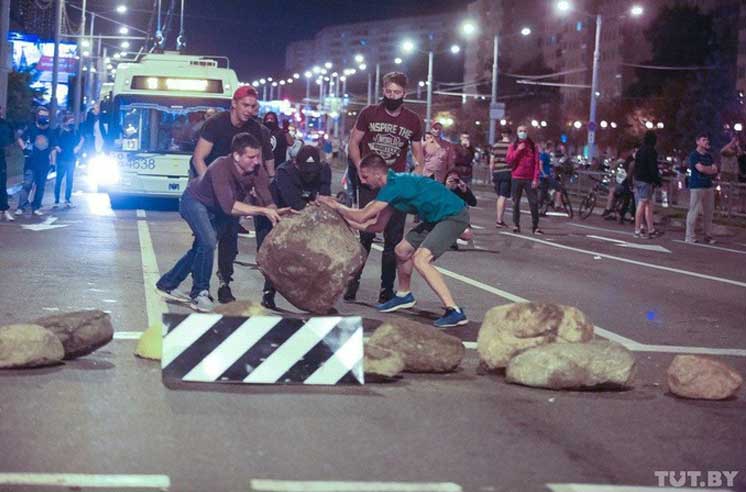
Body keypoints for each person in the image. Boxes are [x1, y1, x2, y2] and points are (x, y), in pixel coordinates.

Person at [318, 153, 469, 328]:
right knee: (402, 250)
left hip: (453, 215)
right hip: (435, 218)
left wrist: (336, 206)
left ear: (377, 174)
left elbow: (363, 216)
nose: (363, 181)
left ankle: (454, 311)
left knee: (421, 260)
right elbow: (377, 226)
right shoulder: (391, 190)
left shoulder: (394, 185)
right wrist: (342, 220)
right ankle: (404, 295)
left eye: (365, 176)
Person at [156, 133, 291, 312]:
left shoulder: (256, 169)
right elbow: (230, 207)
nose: (256, 161)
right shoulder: (220, 166)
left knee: (201, 248)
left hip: (217, 208)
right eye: (251, 157)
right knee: (208, 241)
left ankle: (168, 283)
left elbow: (266, 197)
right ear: (237, 156)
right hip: (195, 202)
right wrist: (263, 211)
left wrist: (273, 211)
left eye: (258, 156)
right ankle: (200, 292)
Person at [344, 71, 424, 303]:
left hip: (395, 183)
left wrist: (416, 175)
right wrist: (360, 168)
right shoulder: (369, 113)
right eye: (388, 91)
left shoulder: (412, 120)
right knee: (365, 234)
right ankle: (352, 283)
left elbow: (418, 155)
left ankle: (386, 290)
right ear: (383, 91)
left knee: (393, 238)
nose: (392, 96)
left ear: (405, 93)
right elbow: (354, 142)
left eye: (397, 92)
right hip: (370, 182)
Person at [191, 85, 275, 304]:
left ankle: (224, 283)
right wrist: (209, 186)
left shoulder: (257, 130)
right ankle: (199, 287)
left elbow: (261, 168)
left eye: (253, 106)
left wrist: (268, 201)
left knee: (229, 237)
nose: (249, 110)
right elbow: (199, 158)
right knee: (206, 239)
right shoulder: (216, 123)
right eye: (245, 105)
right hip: (208, 185)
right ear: (234, 104)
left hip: (234, 190)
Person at [262, 145, 332, 309]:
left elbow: (325, 198)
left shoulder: (324, 170)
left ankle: (313, 297)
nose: (310, 176)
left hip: (303, 212)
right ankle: (268, 292)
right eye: (306, 172)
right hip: (275, 211)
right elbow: (294, 203)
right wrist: (313, 202)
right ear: (296, 164)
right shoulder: (284, 172)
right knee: (274, 254)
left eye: (313, 172)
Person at [15, 107, 59, 216]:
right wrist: (24, 149)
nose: (44, 118)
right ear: (37, 116)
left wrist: (53, 163)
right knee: (27, 184)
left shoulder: (50, 131)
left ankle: (36, 207)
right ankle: (21, 207)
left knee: (40, 186)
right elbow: (20, 138)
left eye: (46, 116)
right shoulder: (31, 128)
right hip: (31, 162)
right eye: (42, 116)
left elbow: (53, 148)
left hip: (44, 163)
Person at [506, 125, 542, 234]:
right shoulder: (513, 145)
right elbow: (509, 160)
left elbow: (536, 163)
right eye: (520, 131)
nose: (522, 133)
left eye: (524, 131)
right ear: (517, 132)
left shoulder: (532, 146)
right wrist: (518, 150)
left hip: (529, 178)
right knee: (515, 202)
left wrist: (535, 178)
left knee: (533, 203)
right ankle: (516, 224)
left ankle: (535, 226)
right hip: (516, 177)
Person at [685, 134, 719, 244]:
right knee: (694, 211)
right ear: (698, 142)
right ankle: (689, 236)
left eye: (707, 140)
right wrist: (708, 169)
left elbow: (715, 169)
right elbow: (700, 169)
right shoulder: (694, 155)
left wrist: (707, 169)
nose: (706, 142)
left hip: (708, 185)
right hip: (697, 186)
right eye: (704, 140)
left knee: (709, 212)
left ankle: (708, 235)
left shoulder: (709, 156)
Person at [633, 131, 662, 239]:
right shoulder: (651, 151)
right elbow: (653, 167)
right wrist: (657, 180)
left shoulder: (640, 150)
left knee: (647, 204)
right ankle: (637, 230)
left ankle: (651, 229)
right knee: (643, 203)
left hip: (638, 179)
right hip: (646, 180)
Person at [53, 114, 84, 208]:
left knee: (69, 180)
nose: (72, 123)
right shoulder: (59, 130)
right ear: (65, 121)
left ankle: (67, 199)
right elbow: (53, 140)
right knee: (59, 179)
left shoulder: (75, 131)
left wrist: (78, 147)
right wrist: (57, 147)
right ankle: (56, 199)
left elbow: (82, 139)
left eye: (73, 121)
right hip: (61, 158)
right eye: (70, 121)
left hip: (71, 158)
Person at [445, 169, 477, 248]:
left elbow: (474, 203)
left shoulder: (461, 189)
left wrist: (465, 191)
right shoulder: (442, 188)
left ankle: (452, 240)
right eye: (451, 180)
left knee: (467, 234)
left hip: (458, 219)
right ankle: (448, 241)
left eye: (456, 180)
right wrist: (446, 188)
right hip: (443, 219)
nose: (453, 182)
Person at [489, 129, 512, 228]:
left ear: (502, 134)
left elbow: (491, 162)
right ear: (510, 135)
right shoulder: (511, 146)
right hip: (507, 172)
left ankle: (499, 219)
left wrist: (491, 174)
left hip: (497, 172)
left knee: (499, 196)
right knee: (503, 196)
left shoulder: (495, 146)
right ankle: (499, 220)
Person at [0, 104, 14, 221]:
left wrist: (8, 149)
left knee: (2, 185)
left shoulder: (5, 124)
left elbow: (10, 140)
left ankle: (4, 210)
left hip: (1, 157)